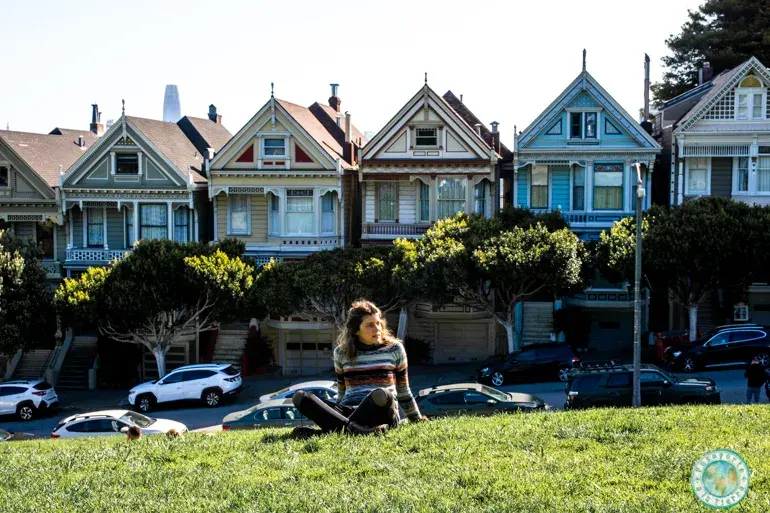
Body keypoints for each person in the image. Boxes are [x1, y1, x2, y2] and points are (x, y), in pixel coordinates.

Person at [293, 300, 428, 436]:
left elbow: (403, 390)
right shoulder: (341, 353)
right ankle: (359, 431)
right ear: (356, 330)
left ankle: (331, 432)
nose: (377, 329)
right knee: (301, 397)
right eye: (370, 325)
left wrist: (416, 418)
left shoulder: (394, 349)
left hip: (381, 410)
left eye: (378, 323)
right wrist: (333, 413)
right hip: (350, 409)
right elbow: (342, 392)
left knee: (380, 394)